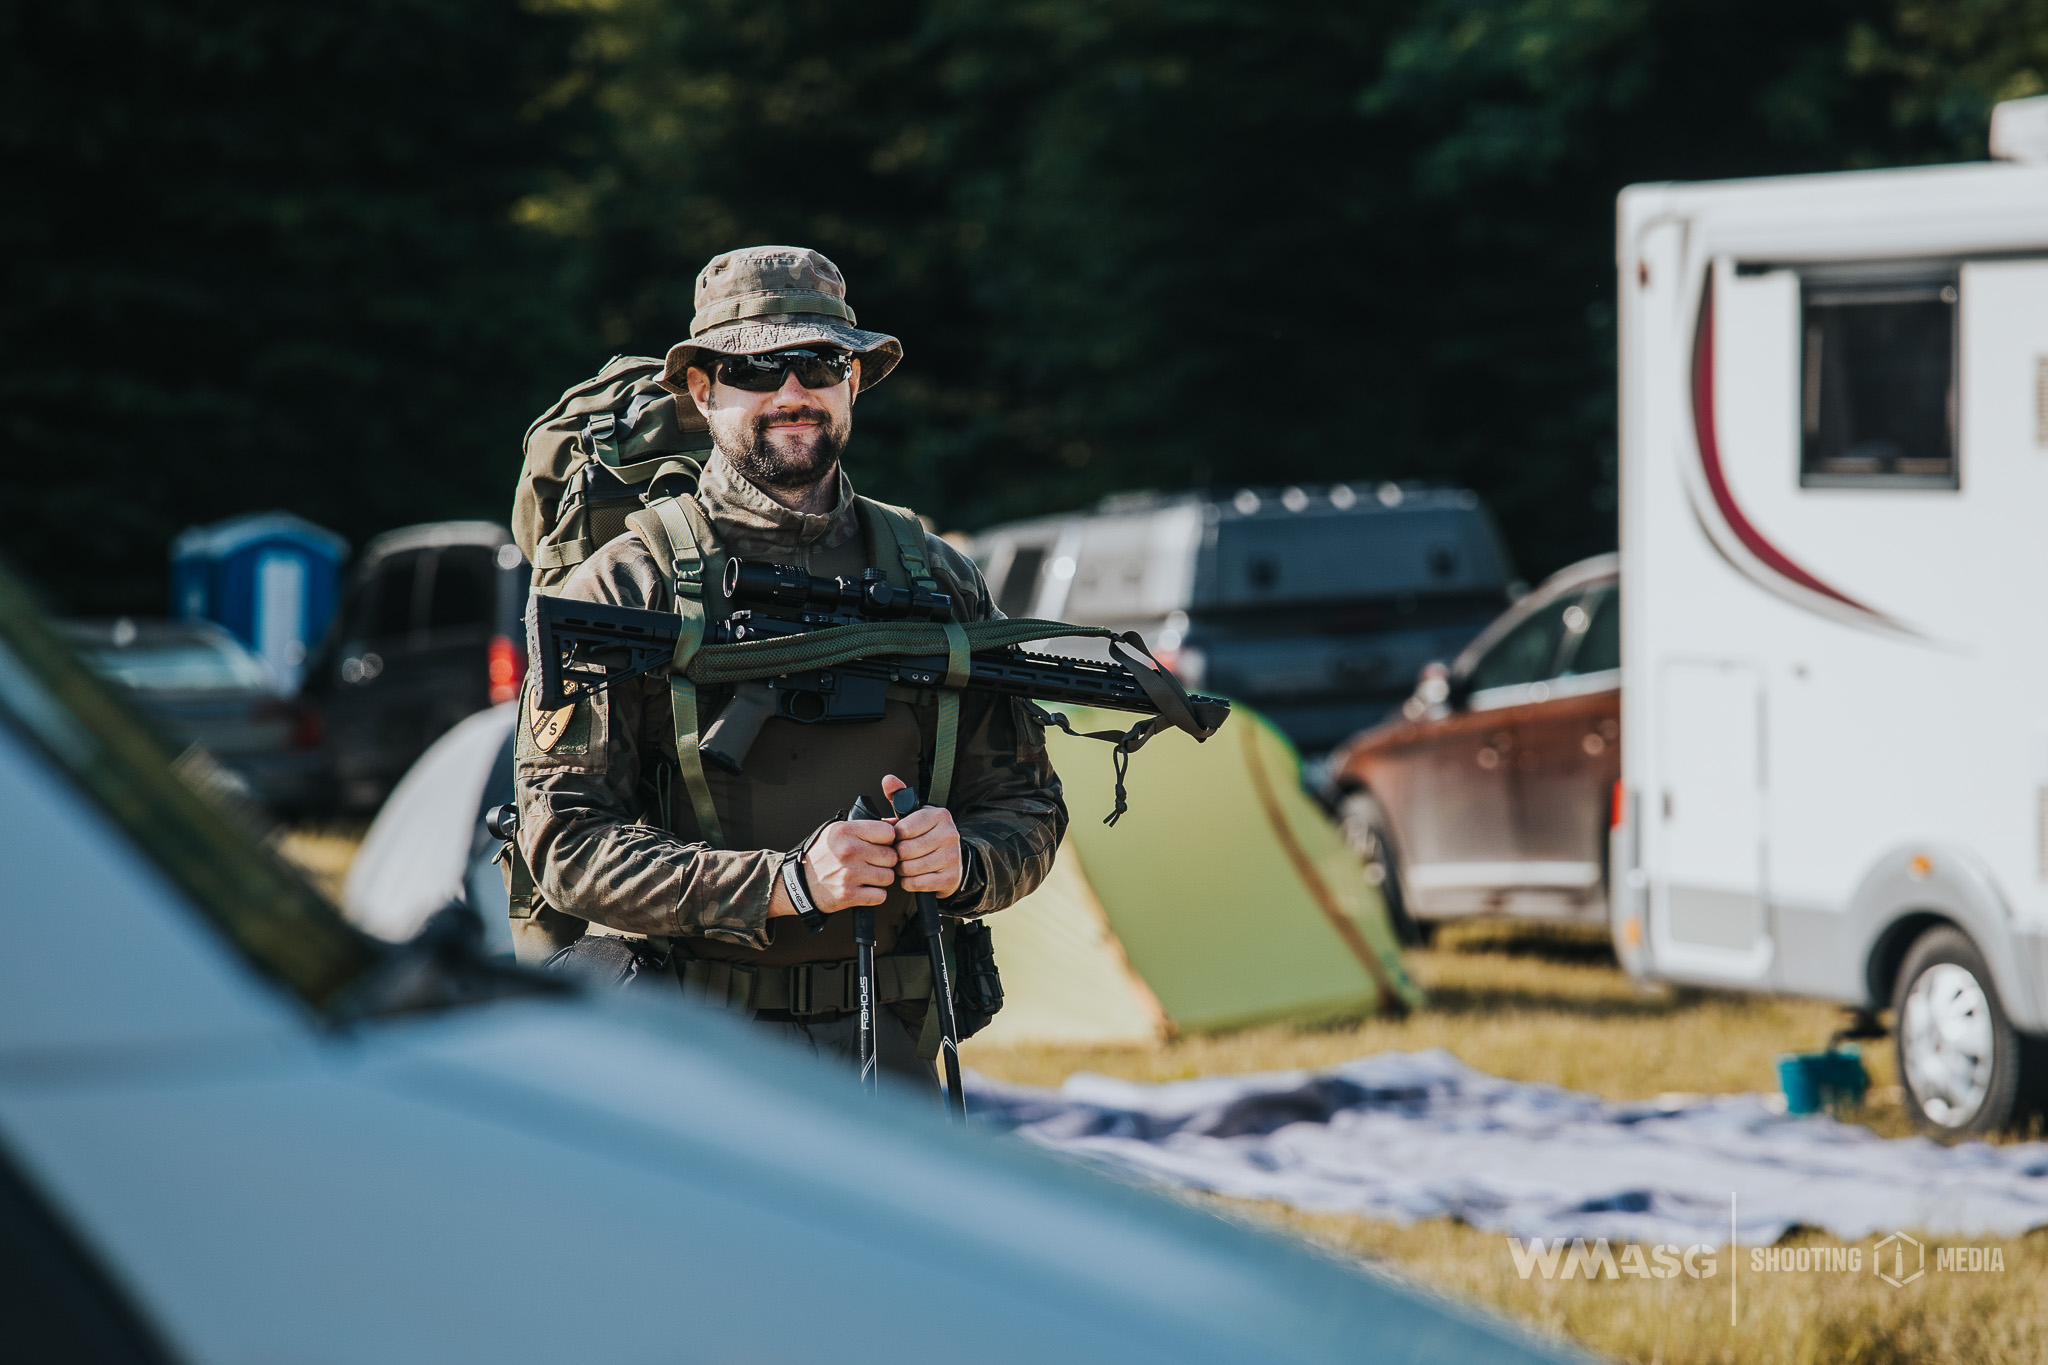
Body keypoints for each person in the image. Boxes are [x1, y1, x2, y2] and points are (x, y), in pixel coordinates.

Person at [513, 245, 1065, 1087]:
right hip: (688, 1048)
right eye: (756, 368)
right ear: (703, 390)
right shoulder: (627, 585)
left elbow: (1028, 803)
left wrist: (968, 862)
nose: (791, 392)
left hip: (896, 1048)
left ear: (853, 382)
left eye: (818, 363)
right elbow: (568, 844)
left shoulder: (936, 576)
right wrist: (788, 884)